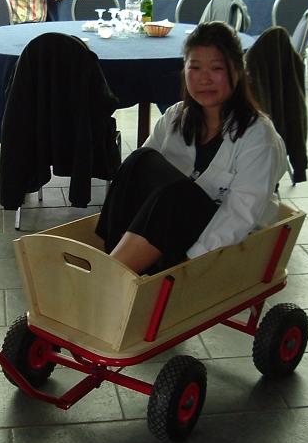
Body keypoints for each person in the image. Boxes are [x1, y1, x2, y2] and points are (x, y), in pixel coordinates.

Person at [95, 21, 287, 274]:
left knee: (175, 196)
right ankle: (112, 258)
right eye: (194, 67)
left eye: (216, 68)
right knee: (140, 160)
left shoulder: (258, 135)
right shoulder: (176, 117)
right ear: (184, 70)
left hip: (220, 243)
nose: (204, 79)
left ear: (238, 71)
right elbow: (140, 185)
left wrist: (190, 262)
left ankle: (109, 276)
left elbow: (240, 215)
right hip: (166, 228)